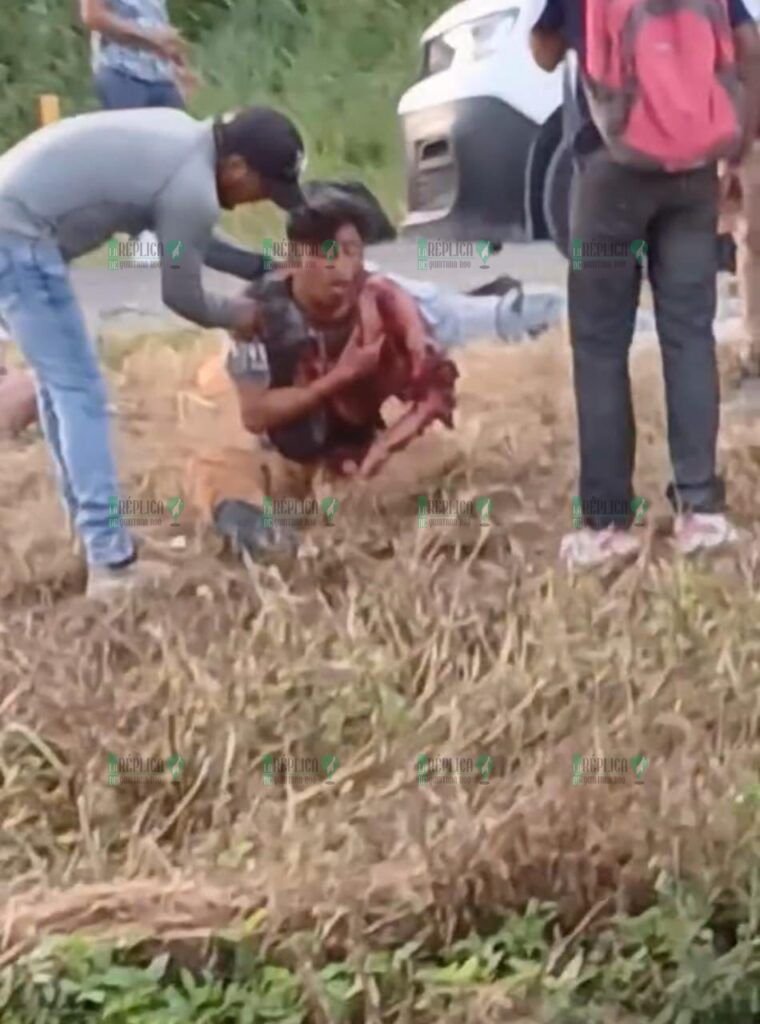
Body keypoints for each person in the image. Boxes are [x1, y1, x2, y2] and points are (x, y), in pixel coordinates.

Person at [0, 104, 307, 598]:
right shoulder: (193, 189)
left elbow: (186, 243)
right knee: (80, 394)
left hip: (12, 224)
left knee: (63, 390)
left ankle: (93, 539)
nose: (257, 202)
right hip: (17, 239)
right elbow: (181, 293)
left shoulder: (180, 139)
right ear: (237, 169)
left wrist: (262, 266)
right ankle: (112, 565)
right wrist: (238, 316)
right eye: (263, 191)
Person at [531, 0, 760, 568]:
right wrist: (740, 148)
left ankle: (608, 524)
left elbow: (542, 53)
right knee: (689, 334)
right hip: (691, 173)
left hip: (611, 172)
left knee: (602, 343)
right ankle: (701, 513)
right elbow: (749, 45)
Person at [187, 193, 459, 558]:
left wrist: (385, 446)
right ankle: (261, 537)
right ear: (297, 258)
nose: (344, 270)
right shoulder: (254, 311)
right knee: (218, 468)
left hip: (355, 453)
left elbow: (435, 390)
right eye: (329, 255)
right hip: (281, 448)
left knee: (429, 466)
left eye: (353, 253)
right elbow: (255, 415)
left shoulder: (385, 302)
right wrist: (342, 374)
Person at [80, 0, 199, 262]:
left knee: (178, 153)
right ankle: (138, 237)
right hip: (121, 71)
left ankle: (168, 234)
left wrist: (180, 66)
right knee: (133, 157)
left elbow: (159, 24)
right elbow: (93, 16)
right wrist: (149, 38)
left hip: (160, 75)